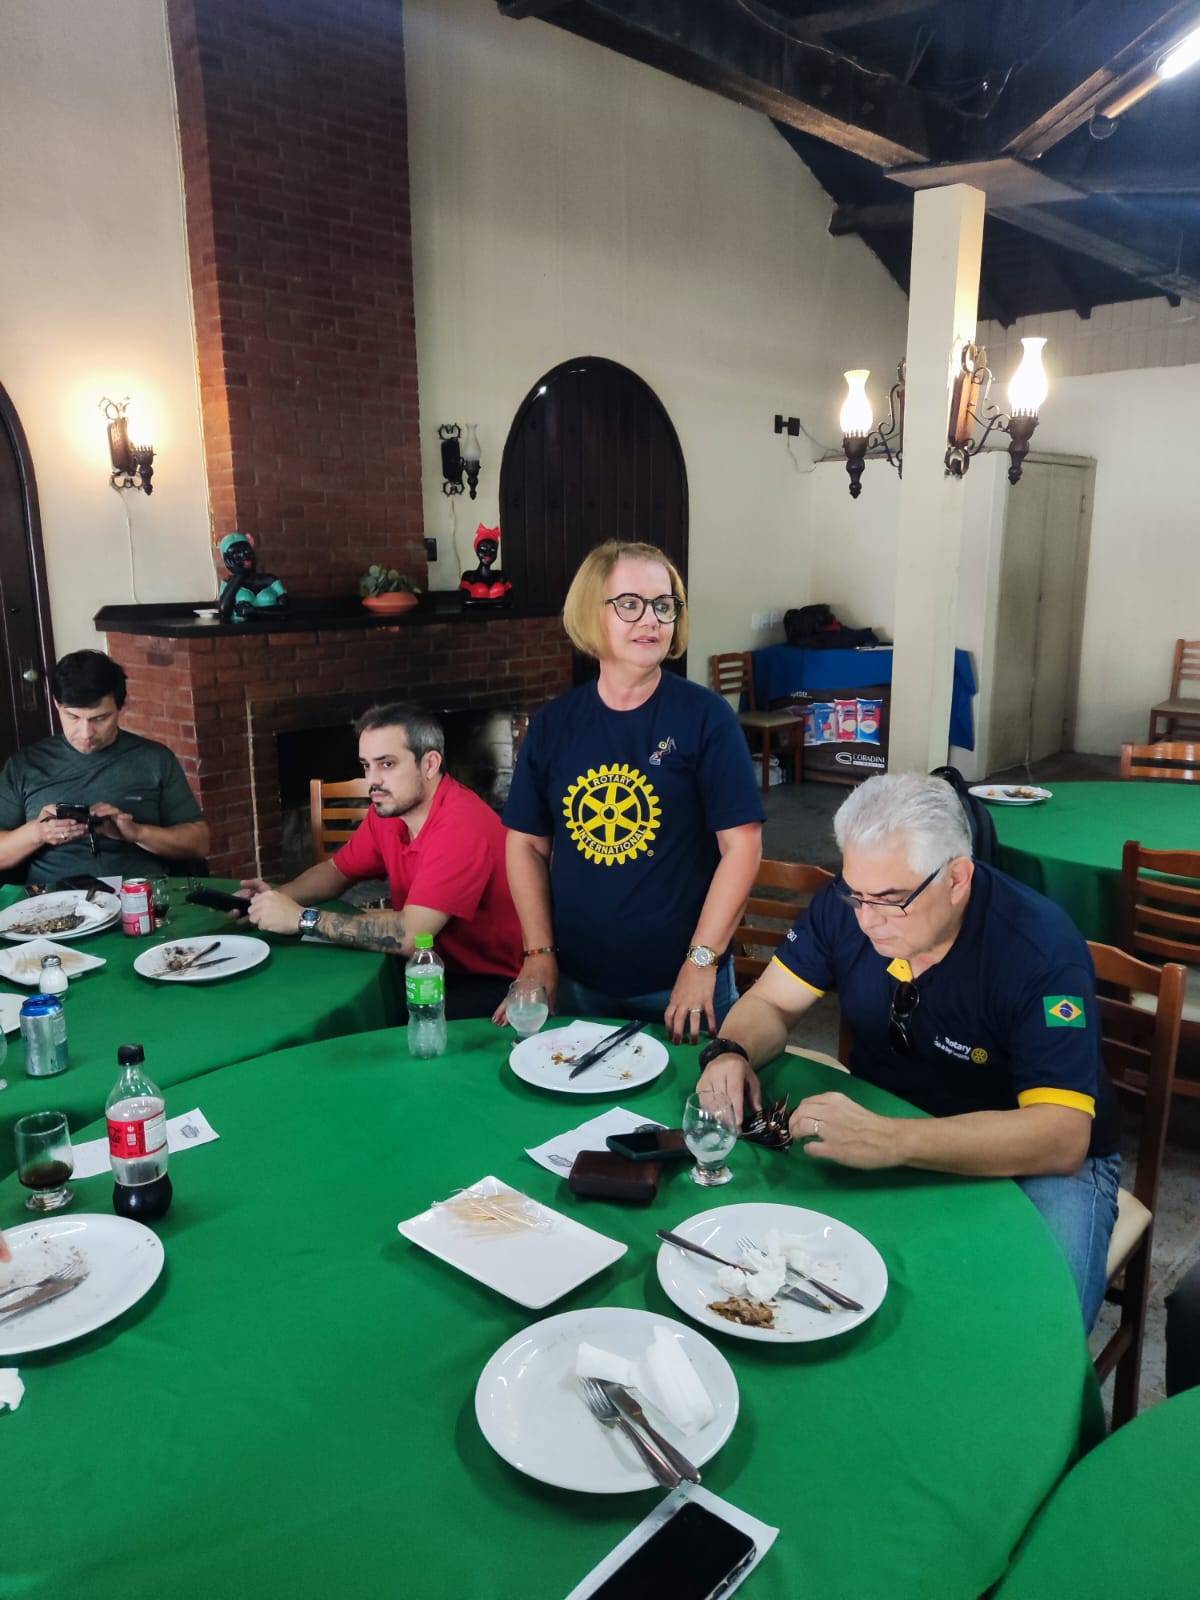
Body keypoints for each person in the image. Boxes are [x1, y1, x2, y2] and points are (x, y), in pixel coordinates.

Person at [696, 772, 1119, 1331]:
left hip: (1032, 1153)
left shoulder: (1039, 949)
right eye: (855, 894)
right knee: (776, 1259)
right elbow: (771, 1002)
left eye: (892, 900)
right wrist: (732, 1050)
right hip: (890, 1110)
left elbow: (1061, 1137)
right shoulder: (854, 903)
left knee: (1033, 1324)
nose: (866, 919)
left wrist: (893, 1140)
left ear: (957, 878)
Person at [501, 539, 764, 1042]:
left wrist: (702, 962)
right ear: (590, 612)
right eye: (629, 604)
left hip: (682, 985)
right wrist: (538, 954)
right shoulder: (554, 724)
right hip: (575, 981)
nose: (651, 620)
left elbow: (743, 848)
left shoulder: (707, 718)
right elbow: (526, 845)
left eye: (663, 605)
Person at [242, 703, 522, 1018]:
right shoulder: (390, 812)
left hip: (488, 981)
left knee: (338, 1012)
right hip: (427, 965)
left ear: (430, 764)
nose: (372, 781)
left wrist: (301, 918)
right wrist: (274, 898)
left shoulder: (460, 825)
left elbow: (410, 936)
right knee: (311, 992)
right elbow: (337, 870)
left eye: (387, 764)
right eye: (366, 765)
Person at [0, 650, 209, 884]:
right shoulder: (25, 765)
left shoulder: (154, 758)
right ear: (57, 705)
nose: (86, 733)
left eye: (100, 718)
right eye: (73, 717)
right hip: (54, 897)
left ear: (120, 708)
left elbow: (199, 843)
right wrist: (37, 833)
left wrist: (138, 833)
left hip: (138, 892)